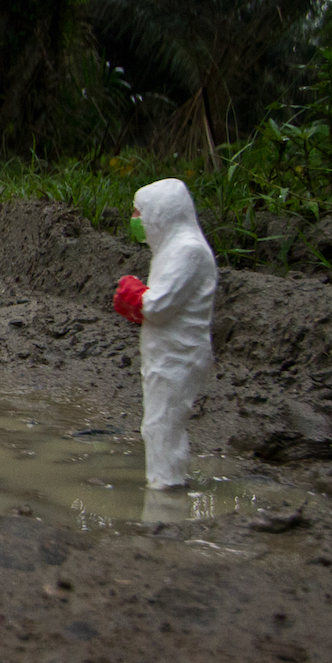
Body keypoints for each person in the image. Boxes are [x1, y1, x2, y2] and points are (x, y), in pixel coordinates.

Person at [112, 177, 217, 488]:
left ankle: (165, 492)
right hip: (167, 353)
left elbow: (160, 306)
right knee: (158, 424)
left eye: (138, 212)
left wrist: (134, 294)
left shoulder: (188, 251)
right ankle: (164, 481)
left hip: (178, 355)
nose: (135, 220)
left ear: (160, 213)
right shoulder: (172, 248)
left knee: (162, 425)